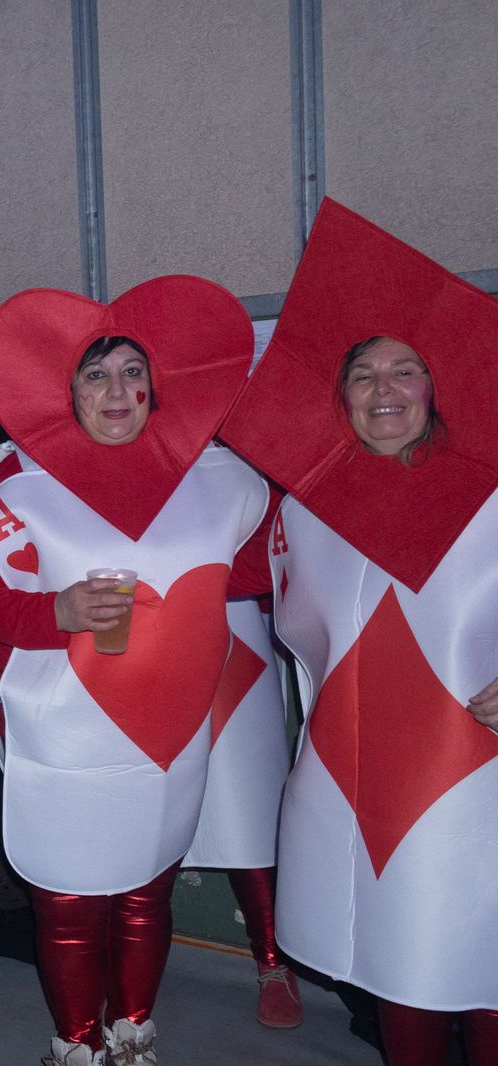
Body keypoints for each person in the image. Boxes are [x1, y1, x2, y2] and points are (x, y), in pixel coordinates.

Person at [0, 276, 274, 1066]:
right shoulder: (20, 479)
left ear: (157, 384)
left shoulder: (216, 477)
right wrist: (53, 614)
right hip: (62, 734)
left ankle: (132, 1035)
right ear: (69, 391)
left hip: (168, 738)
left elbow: (257, 572)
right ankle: (76, 1045)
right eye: (96, 374)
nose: (117, 390)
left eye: (133, 370)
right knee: (66, 902)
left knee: (144, 892)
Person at [219, 198, 498, 1066]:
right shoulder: (301, 514)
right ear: (340, 398)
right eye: (365, 376)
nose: (385, 390)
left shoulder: (491, 499)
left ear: (434, 386)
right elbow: (216, 587)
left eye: (404, 371)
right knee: (397, 966)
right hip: (352, 773)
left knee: (486, 970)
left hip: (476, 783)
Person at [182, 595, 301, 1030]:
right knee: (140, 800)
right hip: (142, 615)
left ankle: (272, 960)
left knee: (247, 804)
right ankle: (119, 950)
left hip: (228, 608)